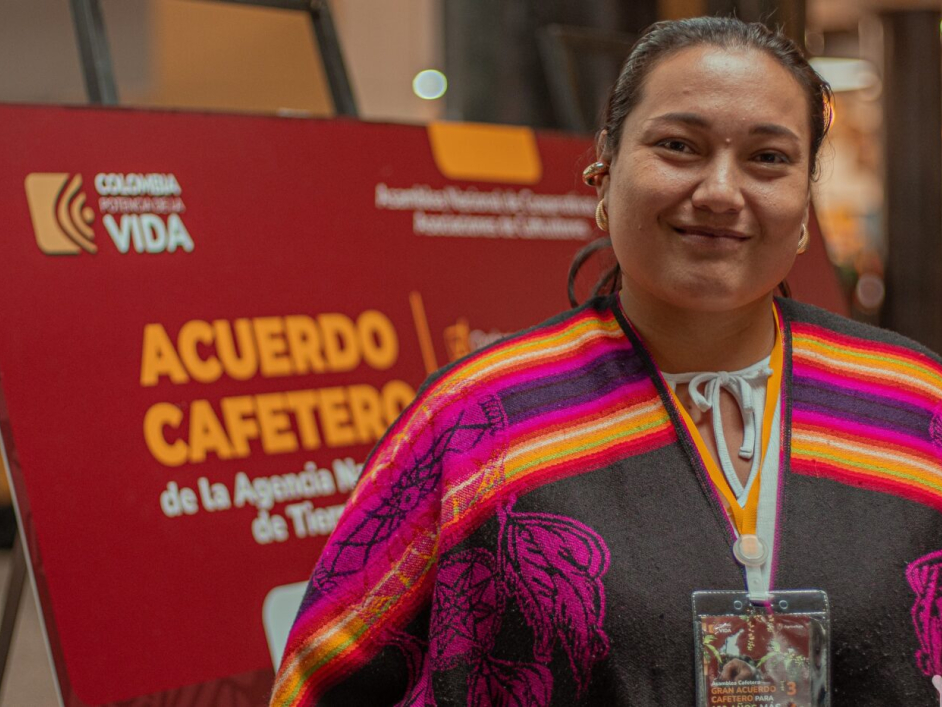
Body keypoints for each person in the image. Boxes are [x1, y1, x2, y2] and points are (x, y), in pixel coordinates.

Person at [271, 17, 942, 706]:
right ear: (604, 170)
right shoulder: (481, 419)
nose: (719, 190)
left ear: (805, 204)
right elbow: (320, 679)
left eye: (768, 158)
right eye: (678, 146)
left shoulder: (912, 403)